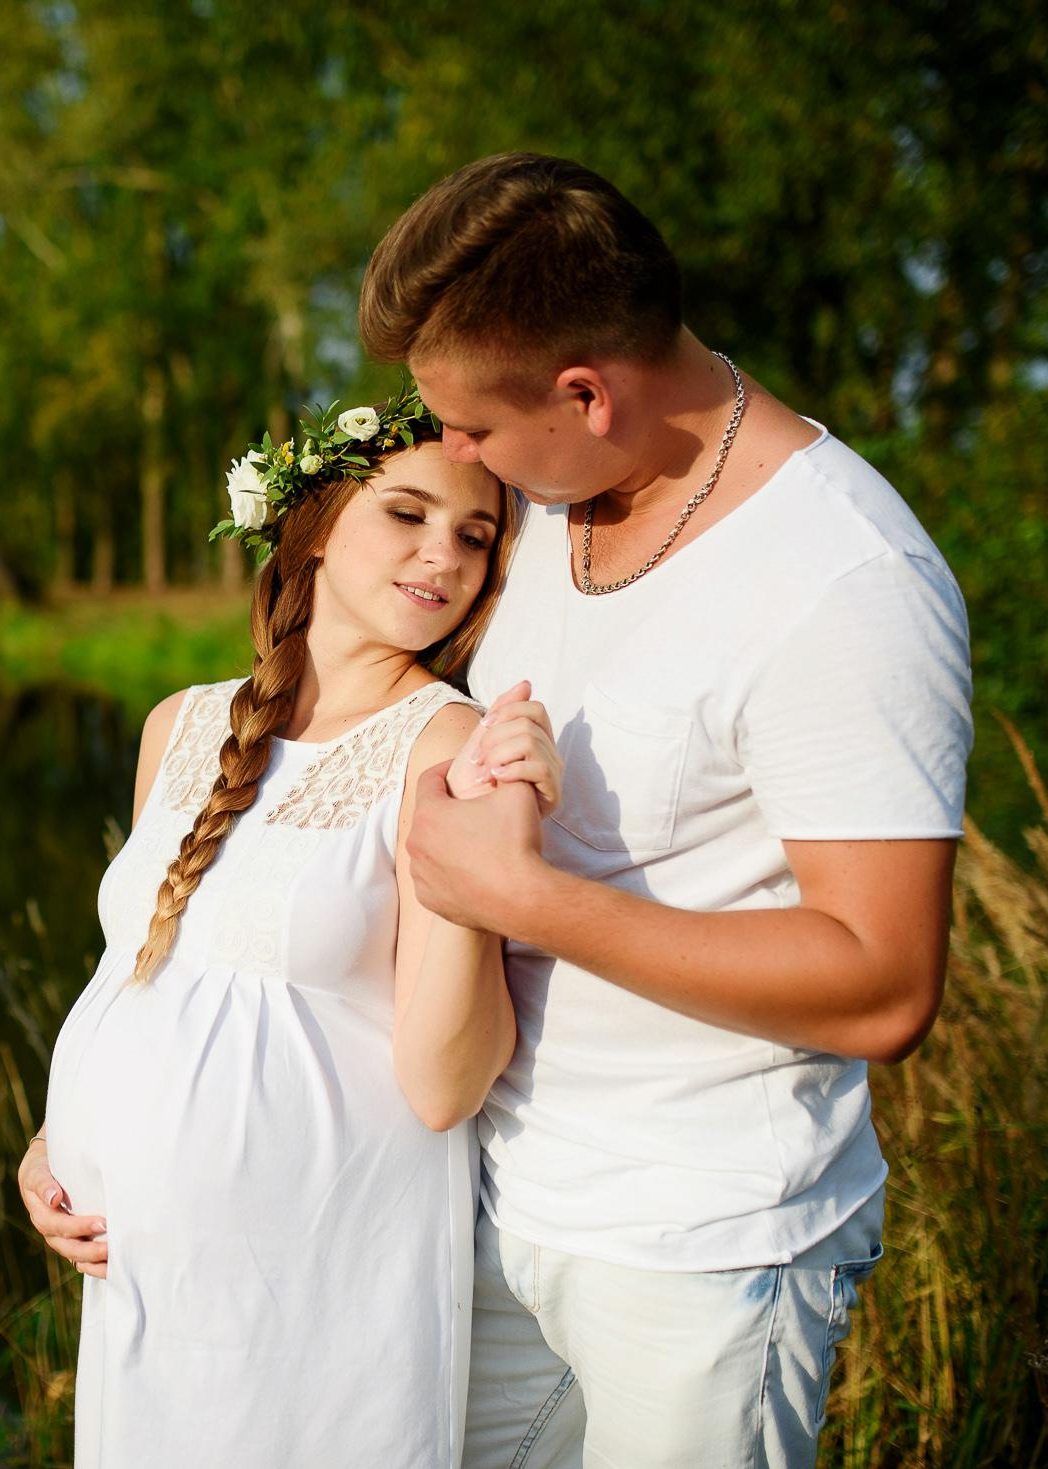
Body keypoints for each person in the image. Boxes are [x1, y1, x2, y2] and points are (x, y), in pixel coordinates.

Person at [361, 153, 974, 1467]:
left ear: (587, 394)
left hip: (702, 1252)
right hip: (488, 1193)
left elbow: (882, 983)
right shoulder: (539, 511)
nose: (453, 457)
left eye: (471, 426)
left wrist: (524, 898)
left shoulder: (842, 584)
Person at [15, 382, 561, 1468]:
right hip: (141, 1283)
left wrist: (493, 836)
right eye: (405, 513)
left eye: (474, 534)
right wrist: (53, 1140)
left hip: (312, 1285)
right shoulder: (183, 721)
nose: (442, 556)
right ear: (309, 528)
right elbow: (139, 970)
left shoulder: (445, 745)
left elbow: (446, 1082)